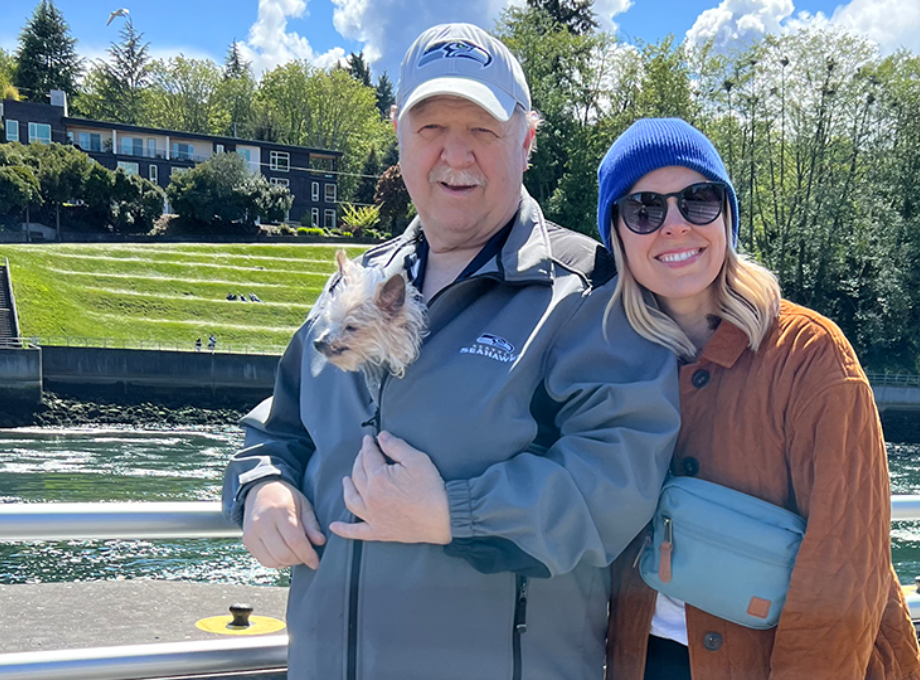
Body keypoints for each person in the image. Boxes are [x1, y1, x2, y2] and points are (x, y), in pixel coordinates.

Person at [221, 24, 679, 680]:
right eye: (432, 128)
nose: (455, 156)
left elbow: (616, 482)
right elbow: (279, 428)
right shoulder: (355, 285)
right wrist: (260, 486)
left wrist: (455, 514)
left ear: (526, 142)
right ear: (398, 135)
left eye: (483, 131)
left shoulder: (586, 294)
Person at [597, 119, 920, 680]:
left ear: (727, 215)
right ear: (616, 234)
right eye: (644, 209)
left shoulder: (811, 355)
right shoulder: (602, 360)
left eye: (698, 200)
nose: (674, 226)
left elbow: (844, 570)